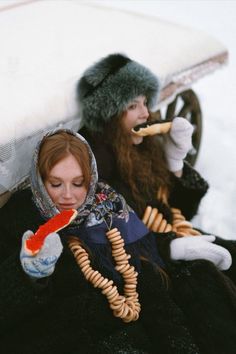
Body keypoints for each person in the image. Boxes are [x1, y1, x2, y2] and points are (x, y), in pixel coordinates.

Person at [77, 53, 236, 353]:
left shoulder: (140, 148)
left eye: (145, 103)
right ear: (110, 113)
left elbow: (180, 212)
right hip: (152, 267)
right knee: (207, 282)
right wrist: (171, 246)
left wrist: (176, 162)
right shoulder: (100, 167)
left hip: (177, 240)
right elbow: (120, 238)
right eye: (133, 106)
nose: (146, 115)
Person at [0, 128, 205, 354]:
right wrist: (28, 276)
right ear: (39, 181)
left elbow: (146, 281)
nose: (68, 196)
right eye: (56, 184)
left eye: (78, 183)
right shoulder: (18, 223)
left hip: (128, 335)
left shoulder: (109, 210)